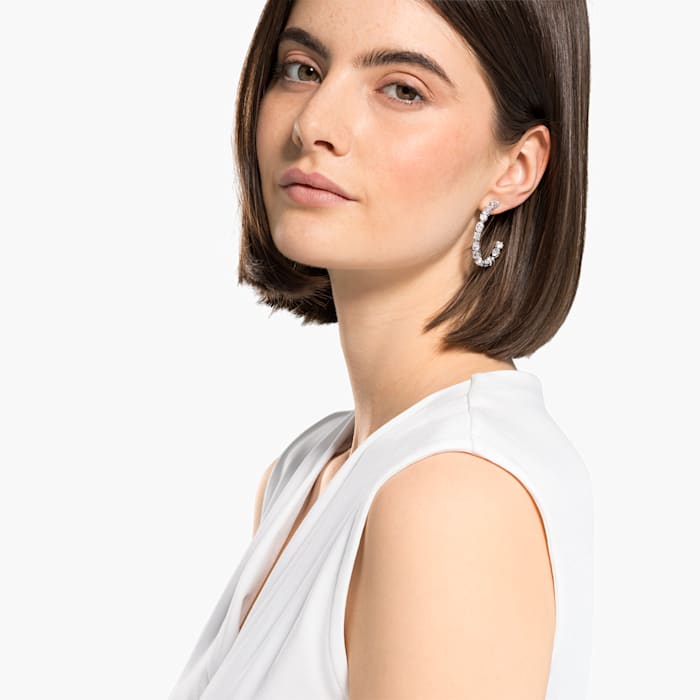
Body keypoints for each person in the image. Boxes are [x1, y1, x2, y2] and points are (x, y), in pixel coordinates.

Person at [168, 0, 593, 698]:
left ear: (515, 167)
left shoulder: (452, 497)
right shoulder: (308, 471)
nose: (314, 123)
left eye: (402, 89)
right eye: (302, 69)